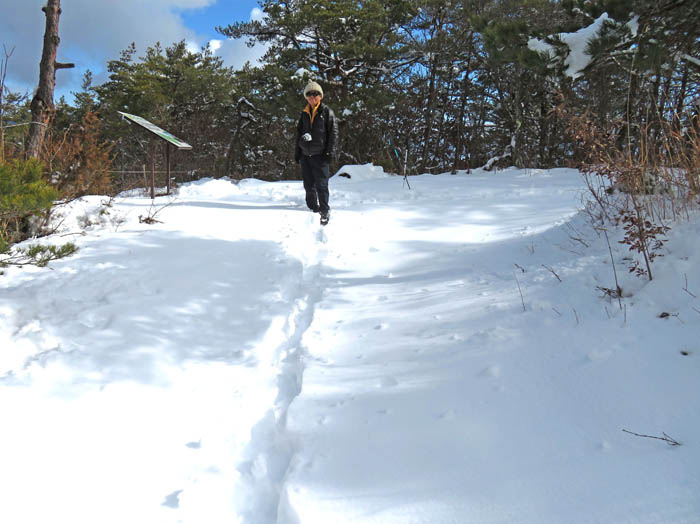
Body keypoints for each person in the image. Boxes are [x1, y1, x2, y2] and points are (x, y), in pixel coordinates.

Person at [295, 81, 338, 225]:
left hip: (320, 155)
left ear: (320, 96)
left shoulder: (326, 112)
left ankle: (324, 210)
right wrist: (297, 152)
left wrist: (329, 152)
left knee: (321, 185)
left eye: (315, 94)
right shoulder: (304, 113)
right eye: (309, 94)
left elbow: (333, 134)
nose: (312, 97)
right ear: (306, 97)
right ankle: (313, 208)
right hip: (305, 155)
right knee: (308, 185)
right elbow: (299, 133)